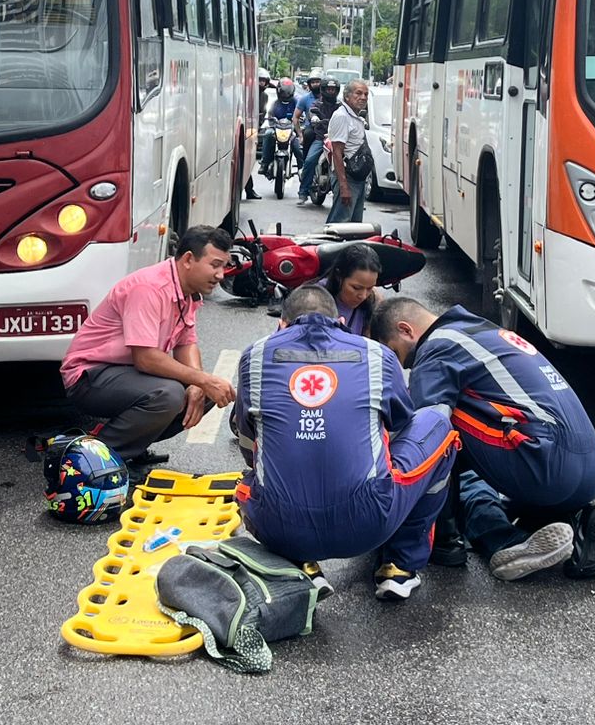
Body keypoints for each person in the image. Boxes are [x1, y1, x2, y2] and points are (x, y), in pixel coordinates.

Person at [232, 284, 459, 603]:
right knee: (436, 422)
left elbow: (246, 436)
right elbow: (402, 423)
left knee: (261, 459)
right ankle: (399, 567)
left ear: (281, 325)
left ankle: (300, 563)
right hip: (368, 523)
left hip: (279, 525)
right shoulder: (375, 353)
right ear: (340, 322)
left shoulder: (253, 356)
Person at [371, 297, 595, 582]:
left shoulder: (437, 346)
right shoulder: (481, 331)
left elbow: (424, 437)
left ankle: (502, 542)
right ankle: (576, 521)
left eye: (396, 353)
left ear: (405, 330)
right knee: (476, 425)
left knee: (441, 430)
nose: (403, 364)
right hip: (587, 471)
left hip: (545, 465)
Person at [60, 225, 237, 466]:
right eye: (215, 265)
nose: (221, 275)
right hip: (90, 375)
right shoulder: (149, 288)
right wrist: (202, 379)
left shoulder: (187, 291)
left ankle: (133, 447)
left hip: (126, 373)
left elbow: (186, 343)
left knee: (204, 391)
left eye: (224, 266)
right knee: (169, 395)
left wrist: (200, 383)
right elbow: (146, 358)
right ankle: (97, 460)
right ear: (188, 260)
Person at [325, 79, 373, 225]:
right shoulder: (342, 116)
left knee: (354, 227)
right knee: (339, 226)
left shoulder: (356, 116)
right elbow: (337, 153)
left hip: (358, 179)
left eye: (366, 94)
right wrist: (344, 187)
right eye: (358, 93)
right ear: (347, 96)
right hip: (347, 178)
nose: (363, 97)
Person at [315, 242, 383, 337]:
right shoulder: (314, 299)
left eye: (369, 288)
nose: (363, 296)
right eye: (356, 288)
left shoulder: (373, 301)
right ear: (338, 276)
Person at [296, 77, 341, 205]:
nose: (331, 92)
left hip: (337, 140)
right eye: (329, 89)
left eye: (333, 89)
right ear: (324, 90)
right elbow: (311, 112)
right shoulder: (317, 104)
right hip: (321, 138)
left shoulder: (340, 106)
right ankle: (303, 192)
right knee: (310, 160)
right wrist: (314, 117)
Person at [258, 77, 302, 176]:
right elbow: (270, 116)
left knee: (297, 144)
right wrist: (271, 120)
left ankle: (301, 168)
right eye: (283, 92)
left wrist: (299, 121)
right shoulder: (275, 103)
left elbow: (300, 115)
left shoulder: (296, 103)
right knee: (268, 135)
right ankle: (264, 163)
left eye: (287, 92)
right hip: (277, 129)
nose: (285, 95)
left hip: (291, 130)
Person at [244, 70, 273, 201]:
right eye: (259, 80)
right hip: (245, 127)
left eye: (264, 81)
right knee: (244, 160)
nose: (261, 83)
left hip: (254, 129)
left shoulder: (265, 97)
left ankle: (249, 189)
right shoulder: (247, 92)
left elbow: (263, 113)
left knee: (248, 160)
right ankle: (249, 189)